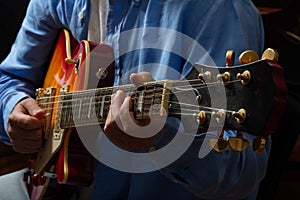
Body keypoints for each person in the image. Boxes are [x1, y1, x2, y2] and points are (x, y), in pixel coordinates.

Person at [0, 0, 270, 199]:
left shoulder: (217, 10)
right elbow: (9, 80)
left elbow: (241, 176)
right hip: (52, 186)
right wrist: (13, 110)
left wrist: (161, 141)